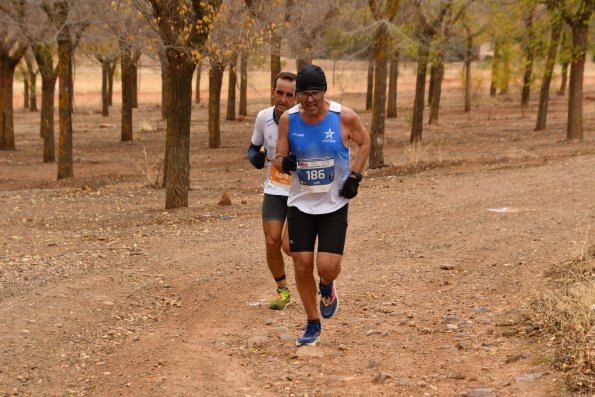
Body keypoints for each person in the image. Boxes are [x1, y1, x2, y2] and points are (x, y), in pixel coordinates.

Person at [273, 64, 370, 346]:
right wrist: (285, 162)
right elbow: (279, 158)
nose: (310, 100)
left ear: (324, 92)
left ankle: (327, 285)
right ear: (297, 95)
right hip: (301, 204)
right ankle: (312, 323)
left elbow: (365, 143)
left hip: (334, 204)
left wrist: (356, 176)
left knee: (326, 266)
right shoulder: (289, 120)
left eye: (315, 94)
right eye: (304, 94)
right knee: (302, 264)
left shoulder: (345, 117)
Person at [247, 72, 297, 310]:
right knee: (271, 241)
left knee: (289, 247)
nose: (283, 99)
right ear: (273, 92)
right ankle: (283, 290)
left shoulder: (303, 120)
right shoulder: (263, 117)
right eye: (279, 92)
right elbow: (253, 148)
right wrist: (255, 159)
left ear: (296, 97)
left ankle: (319, 277)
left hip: (299, 192)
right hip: (274, 188)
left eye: (289, 95)